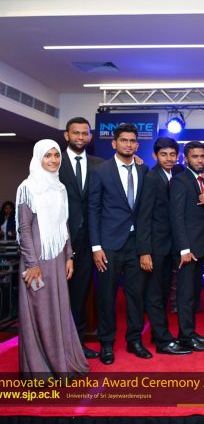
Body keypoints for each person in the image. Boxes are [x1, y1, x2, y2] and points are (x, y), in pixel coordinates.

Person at [16, 139, 89, 379]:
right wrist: (32, 264)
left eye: (56, 155)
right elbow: (24, 228)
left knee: (59, 309)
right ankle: (41, 369)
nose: (53, 160)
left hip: (57, 257)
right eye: (48, 155)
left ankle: (62, 362)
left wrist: (69, 256)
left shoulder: (60, 188)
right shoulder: (28, 187)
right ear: (38, 158)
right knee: (40, 310)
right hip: (37, 258)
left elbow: (63, 224)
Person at [89, 123, 150, 365]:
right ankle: (106, 343)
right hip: (109, 245)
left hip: (136, 244)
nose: (128, 144)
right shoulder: (100, 171)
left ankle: (134, 340)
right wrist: (96, 247)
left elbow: (144, 211)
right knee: (107, 296)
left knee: (136, 295)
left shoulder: (144, 170)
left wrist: (145, 248)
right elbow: (93, 209)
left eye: (132, 140)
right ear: (114, 143)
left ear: (137, 144)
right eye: (123, 140)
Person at [137, 137, 190, 355]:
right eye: (163, 154)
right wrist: (145, 251)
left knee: (164, 293)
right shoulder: (151, 178)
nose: (169, 158)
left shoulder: (176, 173)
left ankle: (158, 334)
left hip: (170, 247)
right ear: (155, 155)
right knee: (155, 295)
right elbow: (144, 217)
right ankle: (162, 341)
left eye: (172, 154)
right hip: (154, 248)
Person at [58, 117, 103, 359]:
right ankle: (55, 348)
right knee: (56, 295)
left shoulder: (99, 164)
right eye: (76, 133)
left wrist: (136, 161)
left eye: (85, 133)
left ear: (90, 136)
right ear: (67, 135)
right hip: (58, 240)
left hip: (87, 240)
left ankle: (77, 346)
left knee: (80, 294)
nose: (80, 137)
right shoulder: (54, 161)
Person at [170, 141, 204, 352]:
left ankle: (190, 332)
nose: (200, 160)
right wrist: (184, 249)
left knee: (194, 293)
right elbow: (176, 217)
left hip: (200, 245)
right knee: (186, 294)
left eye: (202, 156)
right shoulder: (181, 180)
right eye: (195, 156)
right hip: (188, 249)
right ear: (186, 158)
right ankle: (186, 337)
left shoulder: (201, 179)